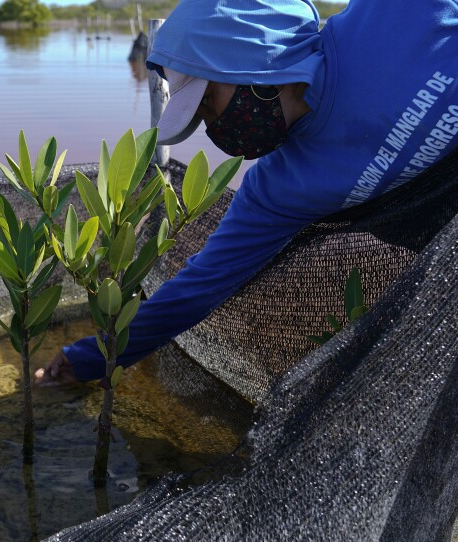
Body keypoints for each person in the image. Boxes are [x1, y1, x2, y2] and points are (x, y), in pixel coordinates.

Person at [36, 0, 458, 385]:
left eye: (208, 104)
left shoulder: (399, 12)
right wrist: (90, 358)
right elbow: (197, 289)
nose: (213, 129)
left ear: (252, 62)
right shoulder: (279, 190)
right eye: (199, 117)